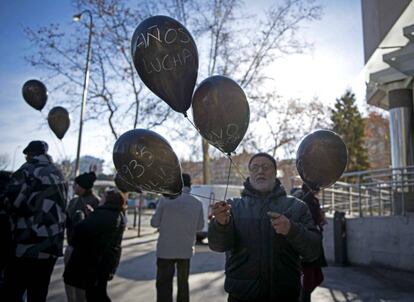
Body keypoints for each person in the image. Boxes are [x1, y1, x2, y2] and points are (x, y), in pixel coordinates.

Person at [209, 152, 322, 302]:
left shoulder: (297, 207)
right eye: (254, 168)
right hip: (241, 296)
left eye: (265, 167)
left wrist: (291, 229)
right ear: (249, 174)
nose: (260, 171)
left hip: (285, 296)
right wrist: (220, 224)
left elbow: (314, 251)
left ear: (275, 173)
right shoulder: (233, 207)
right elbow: (218, 246)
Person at [3, 140, 68, 302]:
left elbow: (10, 204)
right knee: (39, 293)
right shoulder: (59, 174)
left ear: (29, 154)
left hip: (26, 244)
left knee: (13, 291)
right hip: (51, 245)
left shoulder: (26, 171)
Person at [63, 188, 127, 302]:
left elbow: (81, 231)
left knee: (95, 295)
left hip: (96, 263)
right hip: (105, 261)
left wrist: (81, 219)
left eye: (103, 196)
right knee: (97, 292)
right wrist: (93, 214)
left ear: (108, 200)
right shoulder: (115, 213)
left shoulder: (104, 214)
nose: (101, 198)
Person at [150, 173, 204, 302]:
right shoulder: (197, 202)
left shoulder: (165, 200)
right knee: (183, 284)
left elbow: (154, 223)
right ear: (189, 185)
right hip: (186, 250)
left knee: (164, 284)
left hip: (165, 250)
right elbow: (200, 226)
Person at [64, 170, 100, 301]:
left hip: (86, 252)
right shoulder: (73, 201)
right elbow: (67, 222)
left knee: (81, 288)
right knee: (68, 282)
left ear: (83, 187)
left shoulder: (96, 202)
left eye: (76, 185)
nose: (74, 187)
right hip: (71, 247)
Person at [291, 184, 327, 302]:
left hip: (313, 243)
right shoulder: (305, 200)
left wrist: (320, 220)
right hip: (306, 246)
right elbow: (306, 221)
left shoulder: (312, 200)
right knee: (309, 280)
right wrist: (319, 219)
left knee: (316, 278)